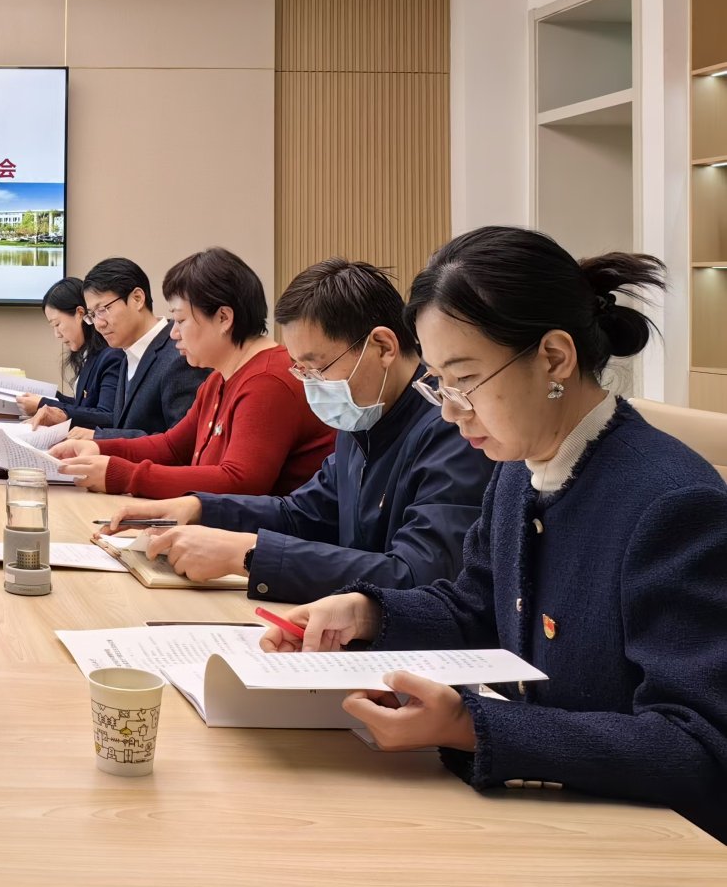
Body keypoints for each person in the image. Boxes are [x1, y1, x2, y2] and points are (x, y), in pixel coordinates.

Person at [262, 228, 727, 841]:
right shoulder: (518, 471)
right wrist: (367, 614)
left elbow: (697, 746)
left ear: (554, 358)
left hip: (647, 841)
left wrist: (470, 726)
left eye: (465, 380)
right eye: (438, 383)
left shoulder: (671, 503)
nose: (450, 409)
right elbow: (477, 605)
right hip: (548, 814)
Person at [102, 258, 487, 600]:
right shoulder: (362, 415)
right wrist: (200, 507)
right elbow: (303, 513)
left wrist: (248, 555)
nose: (312, 384)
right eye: (302, 370)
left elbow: (417, 575)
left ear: (383, 347)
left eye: (318, 367)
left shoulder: (452, 428)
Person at [52, 247, 332, 498]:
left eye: (181, 320)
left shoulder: (267, 380)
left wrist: (123, 475)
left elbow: (240, 482)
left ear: (223, 318)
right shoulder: (219, 378)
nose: (174, 333)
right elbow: (173, 446)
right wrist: (99, 449)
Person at [27, 256, 206, 440]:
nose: (98, 324)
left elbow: (181, 444)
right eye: (92, 315)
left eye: (102, 310)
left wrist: (99, 438)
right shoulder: (128, 353)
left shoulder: (180, 355)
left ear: (137, 298)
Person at [14, 276, 126, 430]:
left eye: (57, 324)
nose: (57, 334)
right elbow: (84, 406)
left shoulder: (111, 356)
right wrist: (51, 398)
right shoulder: (90, 355)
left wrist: (43, 403)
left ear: (80, 313)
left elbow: (107, 416)